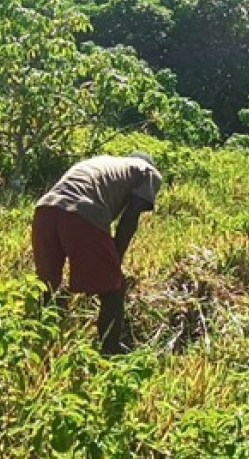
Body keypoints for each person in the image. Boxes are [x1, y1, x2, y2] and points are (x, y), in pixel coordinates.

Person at [32, 152, 162, 355]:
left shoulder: (104, 163)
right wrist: (115, 263)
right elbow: (129, 219)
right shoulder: (147, 171)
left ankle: (38, 348)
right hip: (80, 213)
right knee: (113, 289)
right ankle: (110, 354)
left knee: (46, 288)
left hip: (45, 210)